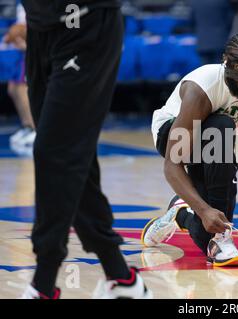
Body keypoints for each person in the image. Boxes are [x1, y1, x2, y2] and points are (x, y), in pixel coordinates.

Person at [8, 0, 150, 299]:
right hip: (40, 30)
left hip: (85, 23)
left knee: (53, 151)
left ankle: (43, 283)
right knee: (70, 153)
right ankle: (121, 277)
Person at [141, 33, 238, 267]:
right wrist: (202, 208)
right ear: (225, 61)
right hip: (171, 132)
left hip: (216, 141)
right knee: (221, 126)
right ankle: (220, 239)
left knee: (206, 226)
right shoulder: (201, 89)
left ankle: (182, 214)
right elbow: (172, 164)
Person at [3, 2, 36, 151]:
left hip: (28, 52)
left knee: (22, 89)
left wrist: (27, 44)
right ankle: (26, 126)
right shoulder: (19, 5)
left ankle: (34, 128)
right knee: (12, 88)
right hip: (20, 51)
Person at [189, 0, 235, 65]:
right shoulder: (222, 2)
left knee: (205, 70)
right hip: (220, 40)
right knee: (219, 70)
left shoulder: (195, 2)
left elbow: (191, 21)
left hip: (203, 41)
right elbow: (230, 20)